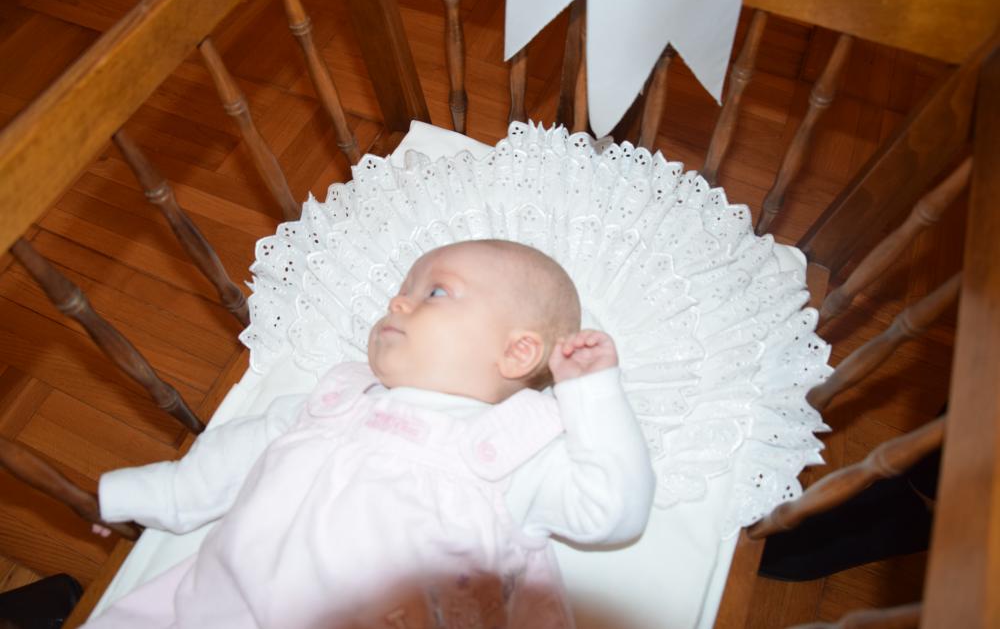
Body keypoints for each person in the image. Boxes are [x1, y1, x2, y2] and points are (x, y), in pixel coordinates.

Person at [85, 239, 655, 629]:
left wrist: (592, 393)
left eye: (435, 292)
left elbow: (612, 512)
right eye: (405, 288)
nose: (397, 301)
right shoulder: (336, 399)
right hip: (224, 606)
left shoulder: (510, 445)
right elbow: (219, 468)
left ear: (518, 352)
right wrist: (131, 495)